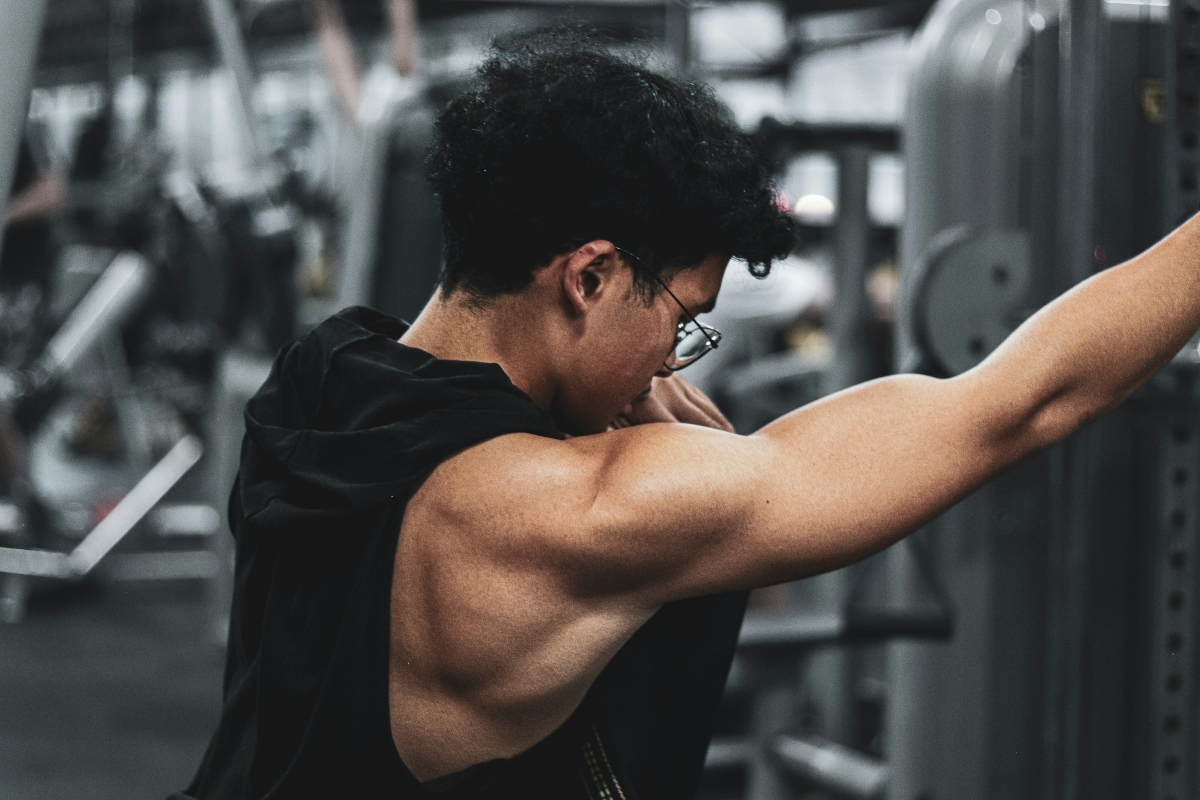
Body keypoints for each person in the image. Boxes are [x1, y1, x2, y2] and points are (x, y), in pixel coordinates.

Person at [177, 32, 1200, 800]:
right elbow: (1016, 405)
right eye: (684, 318)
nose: (675, 358)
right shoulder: (560, 519)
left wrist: (628, 361)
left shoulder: (324, 379)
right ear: (588, 273)